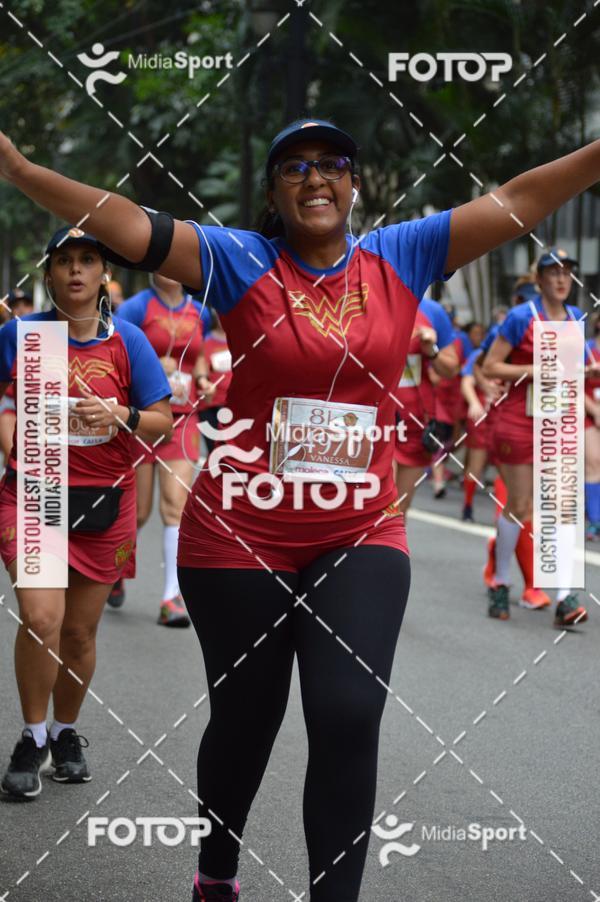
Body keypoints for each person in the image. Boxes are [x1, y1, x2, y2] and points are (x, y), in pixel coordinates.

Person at [1, 118, 599, 902]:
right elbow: (122, 219)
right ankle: (216, 871)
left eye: (332, 164)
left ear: (352, 184)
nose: (315, 178)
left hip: (359, 530)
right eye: (294, 168)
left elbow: (519, 197)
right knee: (245, 724)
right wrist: (18, 167)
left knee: (350, 714)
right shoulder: (238, 259)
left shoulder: (404, 252)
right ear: (277, 195)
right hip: (237, 537)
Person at [0, 227, 172, 799]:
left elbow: (161, 419)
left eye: (88, 260)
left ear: (104, 276)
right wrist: (12, 440)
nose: (76, 270)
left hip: (105, 503)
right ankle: (31, 735)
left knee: (78, 632)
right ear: (48, 274)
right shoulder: (21, 336)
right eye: (64, 261)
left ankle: (65, 731)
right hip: (36, 494)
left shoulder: (129, 343)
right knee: (42, 618)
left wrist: (119, 413)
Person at [483, 249, 587, 626]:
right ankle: (500, 581)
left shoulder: (577, 318)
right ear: (539, 279)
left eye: (567, 273)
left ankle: (563, 597)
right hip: (517, 422)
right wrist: (535, 368)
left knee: (561, 509)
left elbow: (574, 369)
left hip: (558, 422)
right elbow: (491, 365)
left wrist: (588, 371)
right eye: (553, 273)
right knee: (522, 506)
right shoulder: (520, 317)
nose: (561, 279)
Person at [114, 273, 216, 624]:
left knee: (175, 505)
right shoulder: (135, 308)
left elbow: (199, 355)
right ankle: (113, 569)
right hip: (143, 416)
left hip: (184, 418)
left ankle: (171, 598)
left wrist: (202, 378)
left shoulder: (199, 310)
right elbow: (116, 354)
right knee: (139, 511)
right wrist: (153, 367)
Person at [393, 297, 459, 512]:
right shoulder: (363, 295)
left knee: (399, 510)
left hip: (415, 422)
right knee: (380, 507)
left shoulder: (432, 311)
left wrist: (432, 350)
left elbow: (450, 369)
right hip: (374, 421)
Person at [0, 291, 34, 464]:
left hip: (36, 407)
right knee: (15, 459)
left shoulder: (48, 332)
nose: (22, 309)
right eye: (16, 306)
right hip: (7, 403)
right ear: (9, 310)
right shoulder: (6, 334)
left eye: (26, 304)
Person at [198, 309, 232, 454]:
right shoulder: (206, 341)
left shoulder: (241, 338)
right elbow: (200, 371)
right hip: (211, 407)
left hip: (234, 404)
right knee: (215, 454)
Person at [584, 313, 600, 540]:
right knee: (594, 464)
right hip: (586, 413)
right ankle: (594, 522)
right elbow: (572, 383)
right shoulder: (586, 349)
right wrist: (595, 411)